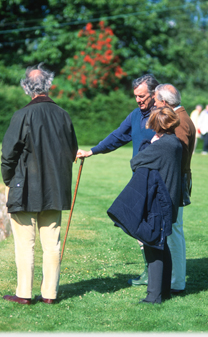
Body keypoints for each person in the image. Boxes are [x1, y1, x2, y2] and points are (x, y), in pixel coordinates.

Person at [1, 63, 78, 305]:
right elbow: (72, 150)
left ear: (27, 87)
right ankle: (50, 295)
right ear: (48, 86)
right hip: (54, 188)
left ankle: (24, 294)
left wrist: (8, 179)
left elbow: (8, 155)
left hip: (24, 188)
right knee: (51, 244)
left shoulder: (22, 115)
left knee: (25, 245)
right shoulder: (63, 115)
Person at [77, 74, 159, 285]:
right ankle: (149, 272)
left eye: (142, 96)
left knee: (155, 226)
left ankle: (161, 274)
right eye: (136, 96)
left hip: (159, 179)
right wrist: (92, 151)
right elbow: (117, 136)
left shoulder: (161, 115)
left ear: (154, 94)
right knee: (137, 222)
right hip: (139, 179)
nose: (138, 100)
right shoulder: (135, 115)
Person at [108, 107, 182, 304]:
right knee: (161, 245)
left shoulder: (162, 144)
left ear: (158, 126)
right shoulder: (175, 142)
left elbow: (136, 161)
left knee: (153, 246)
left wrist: (150, 143)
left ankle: (153, 296)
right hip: (169, 200)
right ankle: (163, 291)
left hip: (159, 201)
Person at [153, 83, 196, 293]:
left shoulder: (178, 122)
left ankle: (176, 282)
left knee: (174, 232)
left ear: (164, 102)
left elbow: (173, 157)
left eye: (155, 100)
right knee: (174, 231)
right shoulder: (182, 117)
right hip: (177, 180)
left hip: (174, 181)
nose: (153, 104)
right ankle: (175, 280)